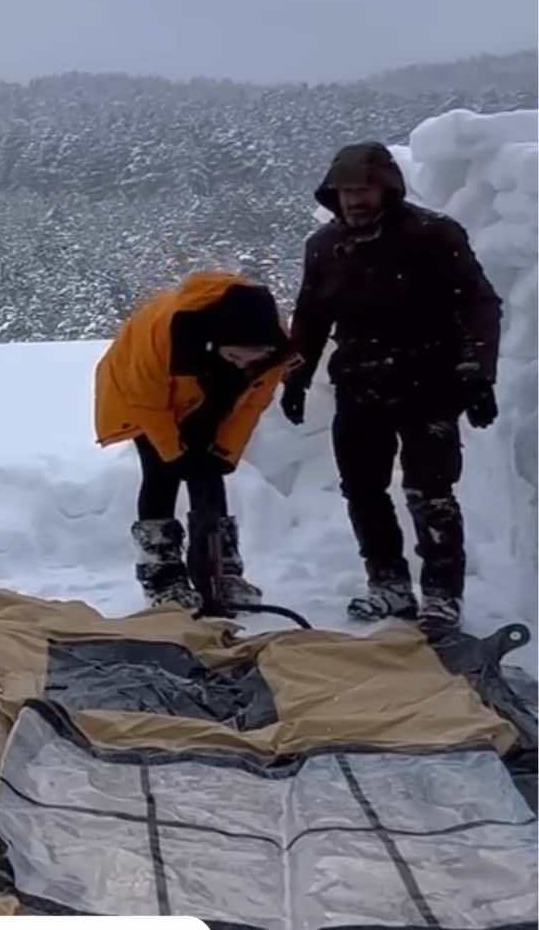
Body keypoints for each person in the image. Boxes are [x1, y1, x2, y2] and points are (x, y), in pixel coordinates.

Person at [280, 141, 502, 635]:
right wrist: (295, 378)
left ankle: (443, 597)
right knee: (362, 489)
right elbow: (311, 318)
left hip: (432, 383)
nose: (354, 200)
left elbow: (479, 304)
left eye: (364, 190)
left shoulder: (433, 235)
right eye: (345, 192)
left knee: (431, 492)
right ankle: (388, 585)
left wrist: (477, 374)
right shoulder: (324, 247)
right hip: (359, 384)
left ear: (388, 189)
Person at [95, 271, 293, 615]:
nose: (245, 365)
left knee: (210, 472)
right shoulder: (166, 331)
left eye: (253, 359)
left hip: (210, 392)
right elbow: (146, 403)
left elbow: (251, 405)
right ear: (217, 340)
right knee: (160, 472)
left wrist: (225, 453)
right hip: (141, 393)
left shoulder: (273, 351)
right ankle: (162, 575)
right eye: (236, 356)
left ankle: (222, 570)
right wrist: (174, 453)